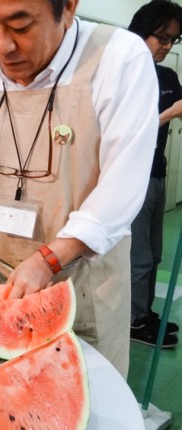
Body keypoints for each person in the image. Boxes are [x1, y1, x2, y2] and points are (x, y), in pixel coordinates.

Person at [0, 0, 159, 377]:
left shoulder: (119, 58)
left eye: (20, 26)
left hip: (86, 284)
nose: (2, 48)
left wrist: (47, 260)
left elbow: (120, 189)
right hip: (2, 277)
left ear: (69, 7)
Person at [128, 0, 182, 349]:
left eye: (173, 40)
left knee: (155, 255)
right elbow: (123, 132)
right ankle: (133, 321)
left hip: (157, 173)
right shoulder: (124, 74)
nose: (166, 45)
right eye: (161, 37)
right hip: (131, 178)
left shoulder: (168, 76)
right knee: (140, 258)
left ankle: (145, 311)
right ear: (140, 32)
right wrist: (168, 114)